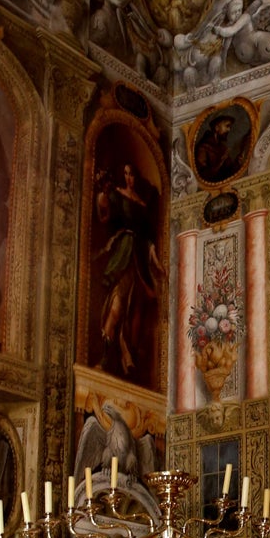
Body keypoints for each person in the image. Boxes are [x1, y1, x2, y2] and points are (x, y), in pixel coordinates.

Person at [95, 161, 163, 384]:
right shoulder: (116, 195)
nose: (128, 178)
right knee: (118, 302)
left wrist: (154, 258)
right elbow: (104, 217)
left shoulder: (142, 205)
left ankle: (129, 360)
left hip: (139, 255)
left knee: (136, 306)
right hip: (123, 250)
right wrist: (103, 196)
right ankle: (107, 357)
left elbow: (149, 238)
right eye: (125, 173)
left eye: (131, 174)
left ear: (136, 177)